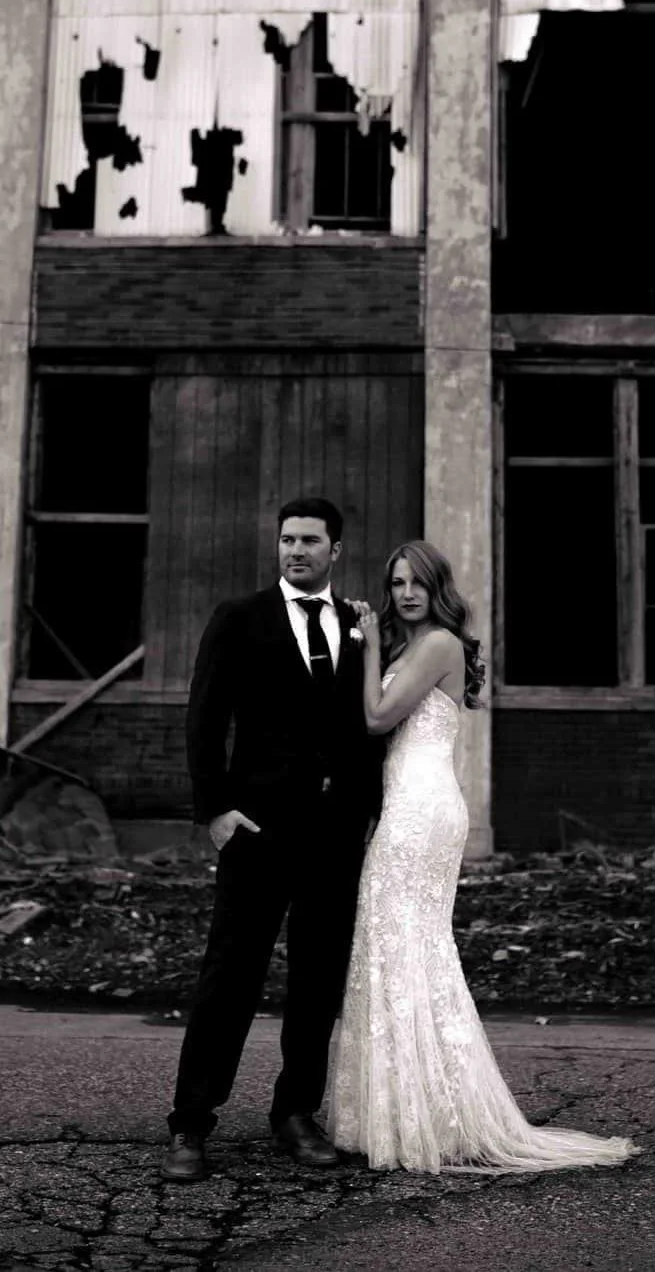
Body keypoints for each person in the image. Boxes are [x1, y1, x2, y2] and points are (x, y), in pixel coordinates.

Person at [325, 540, 636, 1172]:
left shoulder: (437, 642)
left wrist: (366, 650)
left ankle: (428, 1111)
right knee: (398, 945)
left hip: (422, 811)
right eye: (397, 582)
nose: (405, 593)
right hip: (411, 805)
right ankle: (407, 1108)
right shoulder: (415, 646)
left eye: (417, 582)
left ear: (438, 588)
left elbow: (380, 717)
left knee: (404, 943)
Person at [163, 496, 385, 1183]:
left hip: (335, 834)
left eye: (311, 541)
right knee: (229, 978)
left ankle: (295, 1114)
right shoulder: (239, 618)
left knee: (317, 981)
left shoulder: (357, 625)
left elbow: (368, 725)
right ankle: (191, 1125)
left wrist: (368, 809)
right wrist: (215, 812)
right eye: (288, 539)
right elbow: (205, 720)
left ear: (335, 551)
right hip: (257, 830)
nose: (296, 550)